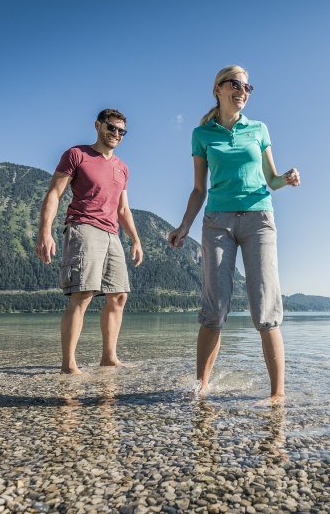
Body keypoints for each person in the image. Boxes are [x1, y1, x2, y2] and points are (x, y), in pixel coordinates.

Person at [168, 66, 301, 401]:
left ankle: (277, 397)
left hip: (259, 220)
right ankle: (201, 390)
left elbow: (271, 180)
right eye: (236, 84)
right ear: (218, 89)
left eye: (248, 86)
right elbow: (199, 189)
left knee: (265, 307)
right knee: (215, 307)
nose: (243, 90)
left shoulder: (259, 129)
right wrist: (184, 225)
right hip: (217, 223)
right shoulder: (202, 134)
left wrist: (286, 177)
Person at [36, 109, 143, 374]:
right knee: (82, 295)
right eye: (111, 127)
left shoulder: (122, 168)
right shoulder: (77, 154)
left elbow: (123, 209)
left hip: (112, 234)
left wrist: (136, 240)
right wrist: (45, 232)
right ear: (97, 125)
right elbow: (54, 194)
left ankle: (109, 358)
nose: (116, 134)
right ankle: (68, 365)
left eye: (121, 131)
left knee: (118, 297)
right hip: (83, 227)